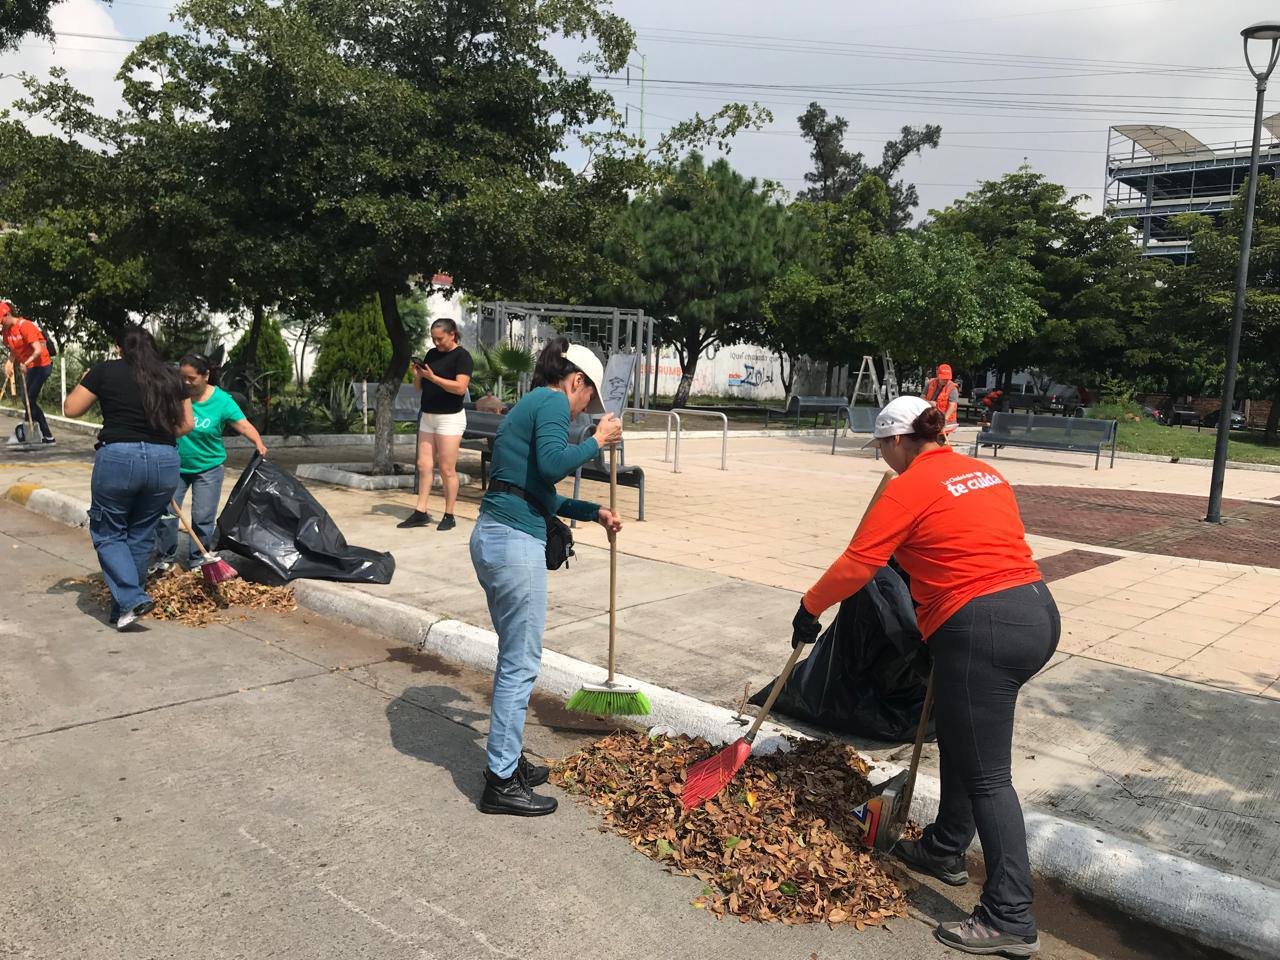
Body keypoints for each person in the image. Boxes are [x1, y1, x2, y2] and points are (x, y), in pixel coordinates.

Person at [792, 395, 1057, 958]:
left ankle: (1009, 914)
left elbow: (858, 564)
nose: (882, 459)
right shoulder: (984, 473)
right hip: (1034, 611)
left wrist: (809, 607)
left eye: (881, 449)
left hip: (981, 626)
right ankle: (943, 848)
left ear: (895, 442)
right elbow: (966, 544)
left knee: (989, 776)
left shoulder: (907, 485)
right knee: (967, 743)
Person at [470, 337, 622, 817]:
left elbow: (540, 489)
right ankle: (500, 782)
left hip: (495, 534)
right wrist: (597, 441)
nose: (581, 411)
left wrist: (593, 510)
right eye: (585, 400)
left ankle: (508, 761)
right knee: (520, 662)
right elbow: (557, 463)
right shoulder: (553, 400)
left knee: (513, 657)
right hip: (515, 544)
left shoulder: (531, 404)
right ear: (576, 380)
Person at [64, 326, 193, 631]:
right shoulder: (171, 376)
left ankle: (133, 596)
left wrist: (86, 379)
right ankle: (124, 607)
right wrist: (156, 440)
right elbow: (187, 423)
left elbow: (71, 409)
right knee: (140, 534)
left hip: (119, 457)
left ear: (119, 348)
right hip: (165, 461)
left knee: (108, 532)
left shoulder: (104, 371)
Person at [153, 353, 268, 571]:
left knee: (203, 516)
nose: (185, 382)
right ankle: (164, 557)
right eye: (182, 377)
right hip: (175, 467)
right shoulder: (174, 396)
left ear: (206, 376)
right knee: (166, 514)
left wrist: (258, 442)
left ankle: (198, 558)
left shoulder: (222, 400)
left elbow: (242, 425)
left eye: (191, 378)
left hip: (209, 468)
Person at [398, 318, 473, 532]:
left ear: (452, 334)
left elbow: (460, 388)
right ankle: (420, 511)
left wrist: (434, 377)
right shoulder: (431, 354)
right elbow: (419, 388)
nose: (436, 342)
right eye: (433, 338)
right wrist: (418, 376)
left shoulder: (462, 357)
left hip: (450, 417)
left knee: (447, 468)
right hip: (429, 415)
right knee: (424, 465)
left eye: (440, 338)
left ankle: (449, 514)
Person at [1, 301, 56, 444]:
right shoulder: (6, 333)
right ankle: (30, 429)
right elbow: (13, 350)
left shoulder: (25, 326)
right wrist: (9, 362)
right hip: (30, 366)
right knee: (25, 399)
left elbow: (37, 350)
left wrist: (25, 363)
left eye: (1, 322)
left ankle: (47, 435)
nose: (1, 325)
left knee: (28, 399)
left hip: (42, 365)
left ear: (7, 315)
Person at [923, 363, 959, 438]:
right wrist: (929, 403)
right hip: (931, 416)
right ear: (938, 375)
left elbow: (952, 406)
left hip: (946, 419)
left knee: (939, 439)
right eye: (943, 378)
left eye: (947, 378)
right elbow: (922, 398)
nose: (945, 380)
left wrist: (944, 420)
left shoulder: (952, 388)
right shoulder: (930, 383)